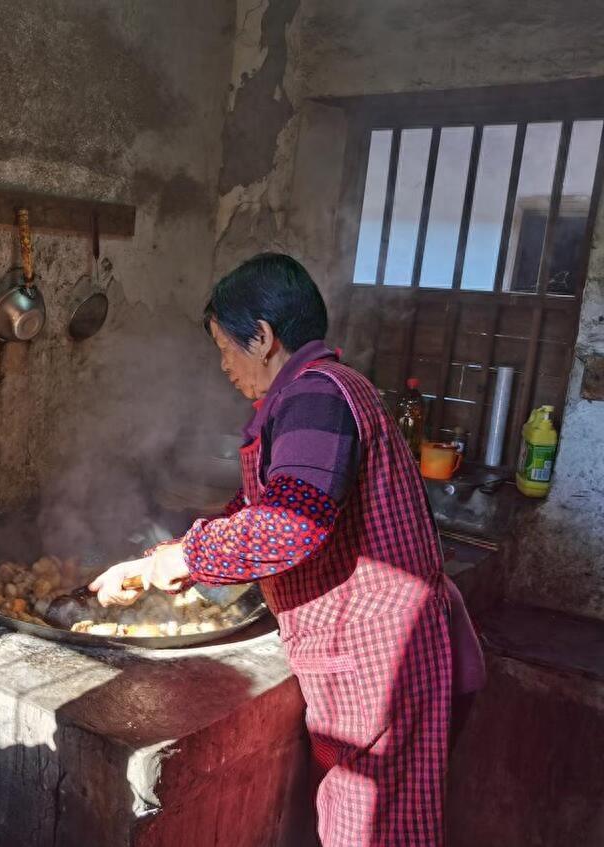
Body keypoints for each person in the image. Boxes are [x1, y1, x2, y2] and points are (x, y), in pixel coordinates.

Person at [91, 254, 485, 847]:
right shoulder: (323, 390)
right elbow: (261, 509)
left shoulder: (314, 396)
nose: (223, 365)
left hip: (381, 663)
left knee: (370, 829)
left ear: (263, 336)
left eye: (225, 347)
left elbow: (290, 525)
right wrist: (161, 559)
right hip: (372, 662)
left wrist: (189, 558)